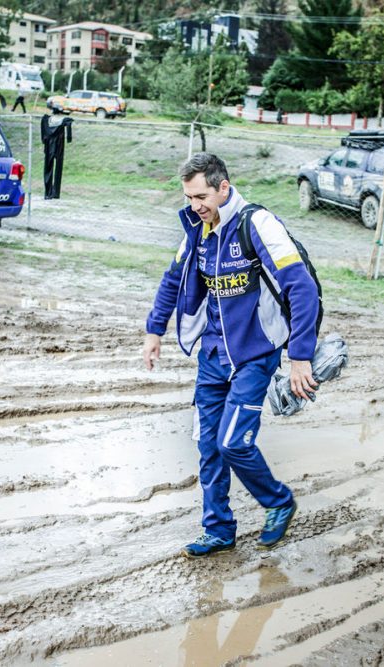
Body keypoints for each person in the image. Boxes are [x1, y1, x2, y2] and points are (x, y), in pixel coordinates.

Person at [143, 152, 320, 558]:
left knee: (233, 444)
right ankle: (218, 530)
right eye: (189, 197)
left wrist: (300, 355)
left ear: (224, 188)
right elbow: (173, 280)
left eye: (201, 196)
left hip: (255, 355)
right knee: (208, 446)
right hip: (212, 355)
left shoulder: (256, 224)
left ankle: (278, 502)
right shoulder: (197, 229)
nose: (195, 205)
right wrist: (155, 330)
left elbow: (301, 287)